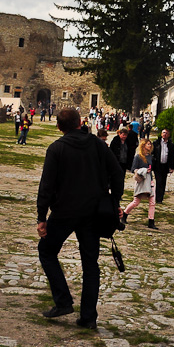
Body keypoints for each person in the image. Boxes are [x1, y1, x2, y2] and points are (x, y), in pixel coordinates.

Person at [36, 108, 124, 330]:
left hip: (65, 211)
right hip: (92, 212)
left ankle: (64, 301)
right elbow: (117, 172)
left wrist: (41, 216)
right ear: (79, 123)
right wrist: (115, 201)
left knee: (47, 251)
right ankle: (88, 317)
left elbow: (46, 185)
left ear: (59, 127)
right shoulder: (96, 144)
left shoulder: (57, 149)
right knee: (90, 264)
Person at [122, 138, 157, 229]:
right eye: (148, 144)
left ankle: (151, 221)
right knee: (136, 202)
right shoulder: (138, 157)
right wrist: (143, 170)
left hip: (150, 180)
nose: (150, 145)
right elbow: (133, 169)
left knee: (152, 202)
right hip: (141, 181)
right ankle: (124, 214)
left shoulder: (150, 156)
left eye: (150, 144)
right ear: (143, 145)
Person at [151, 128, 174, 204]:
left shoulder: (170, 145)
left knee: (163, 182)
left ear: (169, 135)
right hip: (157, 165)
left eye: (166, 133)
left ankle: (160, 198)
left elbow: (171, 156)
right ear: (161, 134)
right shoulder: (156, 143)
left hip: (165, 165)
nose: (164, 134)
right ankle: (157, 198)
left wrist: (172, 167)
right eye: (163, 133)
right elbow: (152, 153)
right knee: (159, 181)